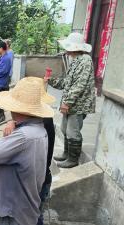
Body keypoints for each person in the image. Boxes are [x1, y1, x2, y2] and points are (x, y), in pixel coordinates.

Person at [0, 78, 54, 225]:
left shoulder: (23, 136)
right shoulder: (40, 129)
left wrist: (4, 137)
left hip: (14, 210)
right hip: (25, 206)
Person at [3, 77, 56, 225]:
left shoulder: (36, 126)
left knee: (31, 218)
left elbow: (3, 152)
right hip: (41, 177)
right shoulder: (43, 119)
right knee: (35, 216)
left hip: (33, 182)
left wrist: (13, 126)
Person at [46, 32, 96, 168]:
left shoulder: (85, 60)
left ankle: (73, 159)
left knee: (72, 131)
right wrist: (50, 81)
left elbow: (80, 84)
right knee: (64, 128)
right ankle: (66, 154)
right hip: (71, 103)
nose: (66, 50)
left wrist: (67, 102)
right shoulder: (75, 60)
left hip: (78, 104)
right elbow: (66, 83)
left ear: (74, 47)